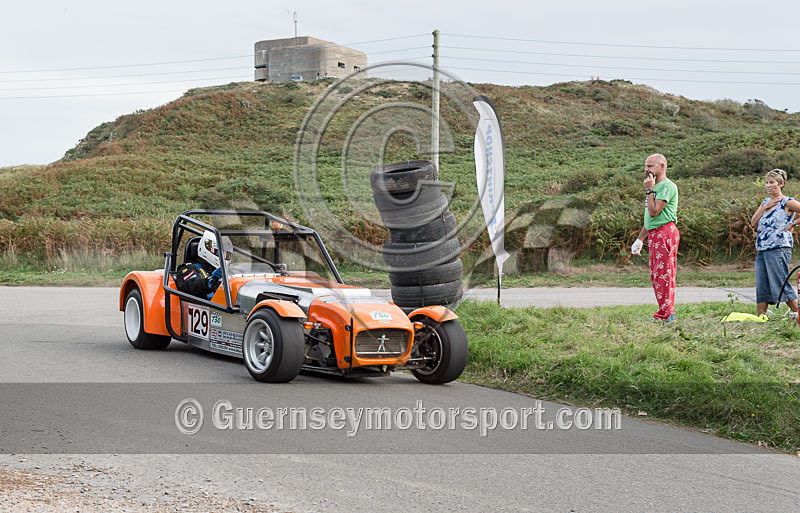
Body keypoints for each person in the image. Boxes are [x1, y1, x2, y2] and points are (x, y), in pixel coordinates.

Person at [631, 154, 680, 322]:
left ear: (662, 166)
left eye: (651, 166)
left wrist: (649, 190)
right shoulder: (654, 188)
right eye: (646, 166)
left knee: (665, 273)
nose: (646, 170)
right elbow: (650, 219)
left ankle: (667, 315)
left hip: (665, 232)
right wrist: (640, 239)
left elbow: (654, 211)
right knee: (657, 275)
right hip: (654, 233)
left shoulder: (667, 187)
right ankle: (664, 312)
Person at [750, 168, 800, 316]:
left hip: (778, 247)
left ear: (781, 184)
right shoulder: (765, 202)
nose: (768, 185)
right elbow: (753, 222)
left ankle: (798, 313)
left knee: (780, 282)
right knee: (762, 283)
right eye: (766, 182)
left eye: (772, 182)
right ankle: (761, 316)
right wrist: (764, 207)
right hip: (762, 248)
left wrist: (794, 223)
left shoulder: (787, 202)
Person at [175, 230, 232, 300]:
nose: (223, 256)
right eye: (219, 252)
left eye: (226, 254)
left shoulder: (227, 272)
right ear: (206, 248)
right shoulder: (189, 268)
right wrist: (210, 282)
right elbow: (191, 285)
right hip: (206, 307)